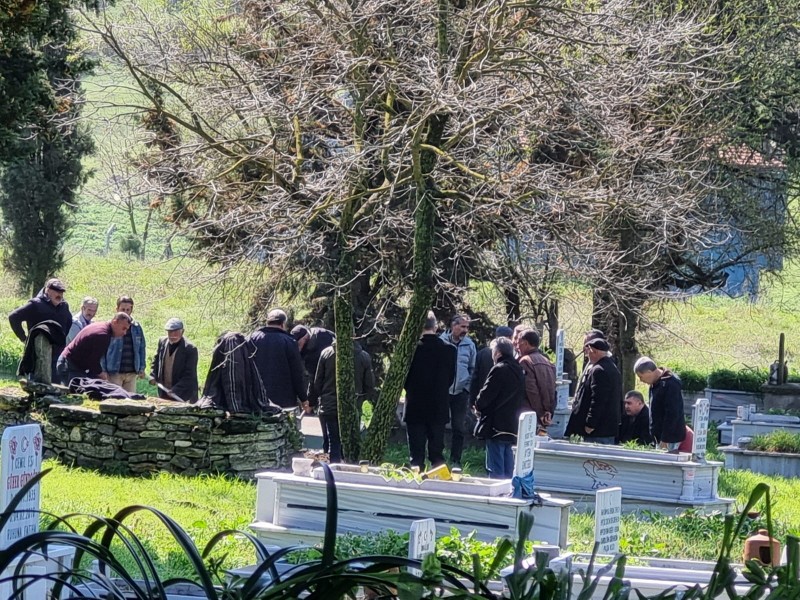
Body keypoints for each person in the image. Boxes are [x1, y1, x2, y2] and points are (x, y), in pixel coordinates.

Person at [404, 311, 456, 469]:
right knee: (437, 454)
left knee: (416, 455)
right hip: (438, 404)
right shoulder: (449, 350)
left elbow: (404, 379)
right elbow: (450, 379)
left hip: (415, 404)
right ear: (435, 326)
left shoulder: (410, 349)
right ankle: (437, 480)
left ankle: (415, 479)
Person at [310, 341, 376, 463]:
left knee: (333, 441)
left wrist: (320, 397)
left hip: (329, 404)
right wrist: (363, 398)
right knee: (350, 441)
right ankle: (349, 466)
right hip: (353, 405)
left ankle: (333, 467)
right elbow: (369, 385)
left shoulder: (326, 353)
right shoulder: (363, 356)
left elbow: (318, 382)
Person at [475, 337, 524, 479]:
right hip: (512, 422)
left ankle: (497, 491)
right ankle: (510, 488)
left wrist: (478, 406)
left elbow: (486, 394)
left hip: (496, 423)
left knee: (495, 467)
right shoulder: (519, 369)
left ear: (497, 353)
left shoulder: (499, 369)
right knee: (508, 465)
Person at [8, 278, 72, 381]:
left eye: (61, 292)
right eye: (57, 291)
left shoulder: (64, 306)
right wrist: (24, 338)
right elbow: (14, 317)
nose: (59, 294)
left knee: (56, 384)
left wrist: (61, 337)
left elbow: (69, 322)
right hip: (39, 351)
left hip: (57, 352)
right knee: (38, 382)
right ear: (48, 290)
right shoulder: (36, 304)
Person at [565, 337, 622, 444]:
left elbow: (598, 399)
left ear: (594, 351)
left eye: (589, 352)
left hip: (598, 430)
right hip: (606, 428)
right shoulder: (612, 367)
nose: (587, 355)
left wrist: (590, 423)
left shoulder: (599, 370)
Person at [250, 309, 308, 409]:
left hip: (257, 399)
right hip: (284, 400)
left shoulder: (252, 339)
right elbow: (297, 373)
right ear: (283, 324)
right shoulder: (289, 341)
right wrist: (303, 398)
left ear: (267, 322)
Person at [440, 313, 476, 468]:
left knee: (459, 427)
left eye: (467, 327)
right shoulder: (441, 342)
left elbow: (472, 368)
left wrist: (466, 388)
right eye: (462, 326)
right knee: (439, 425)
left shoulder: (469, 345)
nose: (465, 330)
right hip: (442, 392)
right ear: (453, 326)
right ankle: (438, 458)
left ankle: (456, 460)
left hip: (461, 393)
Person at [58, 313, 132, 383]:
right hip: (70, 365)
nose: (124, 333)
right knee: (73, 391)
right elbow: (93, 361)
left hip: (71, 363)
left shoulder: (102, 326)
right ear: (115, 322)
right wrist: (101, 374)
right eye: (123, 328)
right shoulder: (103, 335)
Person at [634, 356, 687, 450]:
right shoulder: (655, 383)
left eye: (641, 376)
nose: (641, 380)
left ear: (649, 372)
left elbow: (672, 413)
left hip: (669, 439)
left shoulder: (670, 384)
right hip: (658, 437)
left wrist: (665, 439)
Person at [104, 296, 147, 393]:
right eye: (123, 309)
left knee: (130, 400)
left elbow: (141, 348)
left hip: (131, 372)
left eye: (128, 309)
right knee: (115, 399)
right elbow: (102, 350)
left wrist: (142, 368)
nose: (125, 312)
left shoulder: (136, 327)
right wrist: (103, 370)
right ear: (117, 309)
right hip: (114, 372)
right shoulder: (110, 326)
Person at [150, 318, 199, 402]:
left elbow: (189, 375)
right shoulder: (162, 342)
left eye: (176, 332)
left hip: (183, 394)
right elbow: (156, 360)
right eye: (170, 332)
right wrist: (153, 375)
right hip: (164, 391)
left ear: (182, 332)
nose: (173, 335)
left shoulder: (190, 349)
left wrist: (176, 389)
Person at [516, 329, 556, 433]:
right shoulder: (547, 361)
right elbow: (553, 390)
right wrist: (548, 411)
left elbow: (531, 390)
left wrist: (540, 413)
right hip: (545, 414)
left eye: (519, 343)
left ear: (525, 343)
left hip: (529, 413)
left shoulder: (525, 361)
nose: (517, 347)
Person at [471, 326, 513, 408]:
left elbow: (475, 377)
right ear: (508, 338)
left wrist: (473, 400)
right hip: (502, 400)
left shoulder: (482, 353)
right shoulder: (509, 354)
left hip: (482, 398)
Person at [290, 324, 335, 396]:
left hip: (330, 379)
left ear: (304, 338)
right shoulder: (316, 334)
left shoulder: (320, 340)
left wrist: (311, 399)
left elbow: (315, 378)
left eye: (297, 344)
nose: (296, 348)